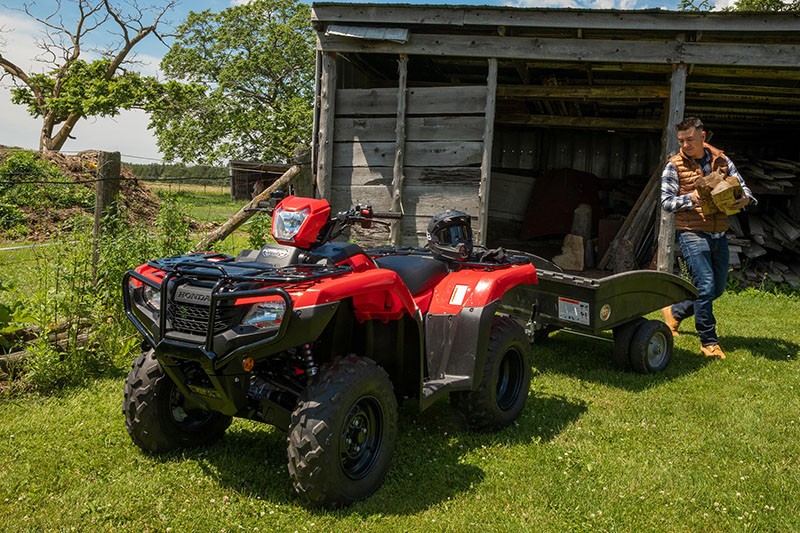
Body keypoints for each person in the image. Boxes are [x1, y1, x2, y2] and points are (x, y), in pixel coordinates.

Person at [659, 117, 756, 360]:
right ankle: (709, 342)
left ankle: (675, 312)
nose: (685, 145)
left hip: (719, 231)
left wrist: (744, 199)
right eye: (681, 140)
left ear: (703, 137)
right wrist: (691, 198)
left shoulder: (721, 160)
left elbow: (743, 187)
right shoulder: (673, 165)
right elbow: (666, 202)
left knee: (718, 288)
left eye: (690, 139)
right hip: (691, 232)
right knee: (704, 286)